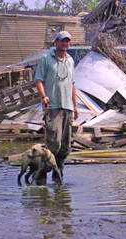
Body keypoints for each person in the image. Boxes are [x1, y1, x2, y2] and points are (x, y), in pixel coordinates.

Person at [35, 31, 78, 185]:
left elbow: (72, 84)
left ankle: (57, 175)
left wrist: (75, 106)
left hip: (68, 107)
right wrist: (43, 96)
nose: (64, 44)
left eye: (67, 41)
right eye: (62, 41)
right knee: (54, 143)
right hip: (52, 106)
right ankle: (40, 175)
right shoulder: (46, 59)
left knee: (65, 147)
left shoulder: (71, 61)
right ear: (56, 43)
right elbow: (38, 80)